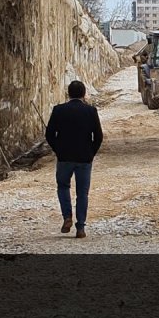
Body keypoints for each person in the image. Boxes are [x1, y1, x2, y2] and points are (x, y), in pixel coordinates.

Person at [44, 80, 104, 239]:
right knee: (82, 193)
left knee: (63, 187)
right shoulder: (91, 111)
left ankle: (67, 217)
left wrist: (58, 150)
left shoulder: (59, 110)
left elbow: (49, 134)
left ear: (68, 94)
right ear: (84, 94)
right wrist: (91, 152)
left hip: (64, 157)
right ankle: (81, 227)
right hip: (84, 158)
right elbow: (98, 136)